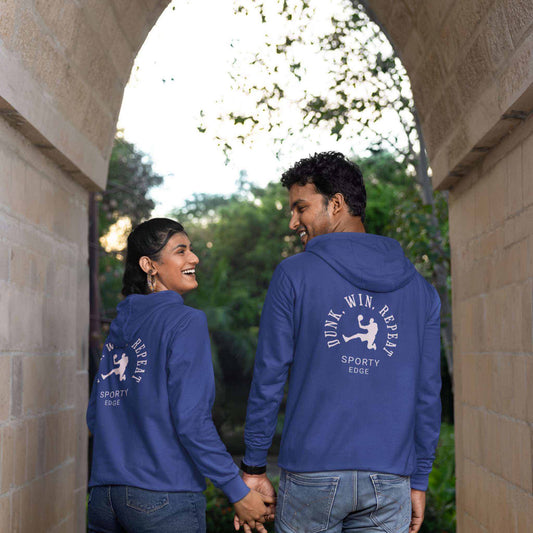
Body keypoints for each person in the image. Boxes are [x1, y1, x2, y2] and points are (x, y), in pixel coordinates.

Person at [239, 152, 442, 533]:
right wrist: (418, 480)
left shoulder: (294, 275)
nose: (292, 221)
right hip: (389, 479)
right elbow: (428, 394)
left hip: (312, 472)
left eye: (301, 208)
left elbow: (269, 378)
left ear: (336, 204)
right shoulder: (421, 291)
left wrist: (253, 467)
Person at [87, 218, 273, 533]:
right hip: (163, 497)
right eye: (181, 250)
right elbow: (192, 421)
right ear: (150, 265)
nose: (194, 258)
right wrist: (237, 490)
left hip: (105, 499)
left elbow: (96, 415)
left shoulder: (119, 327)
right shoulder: (185, 321)